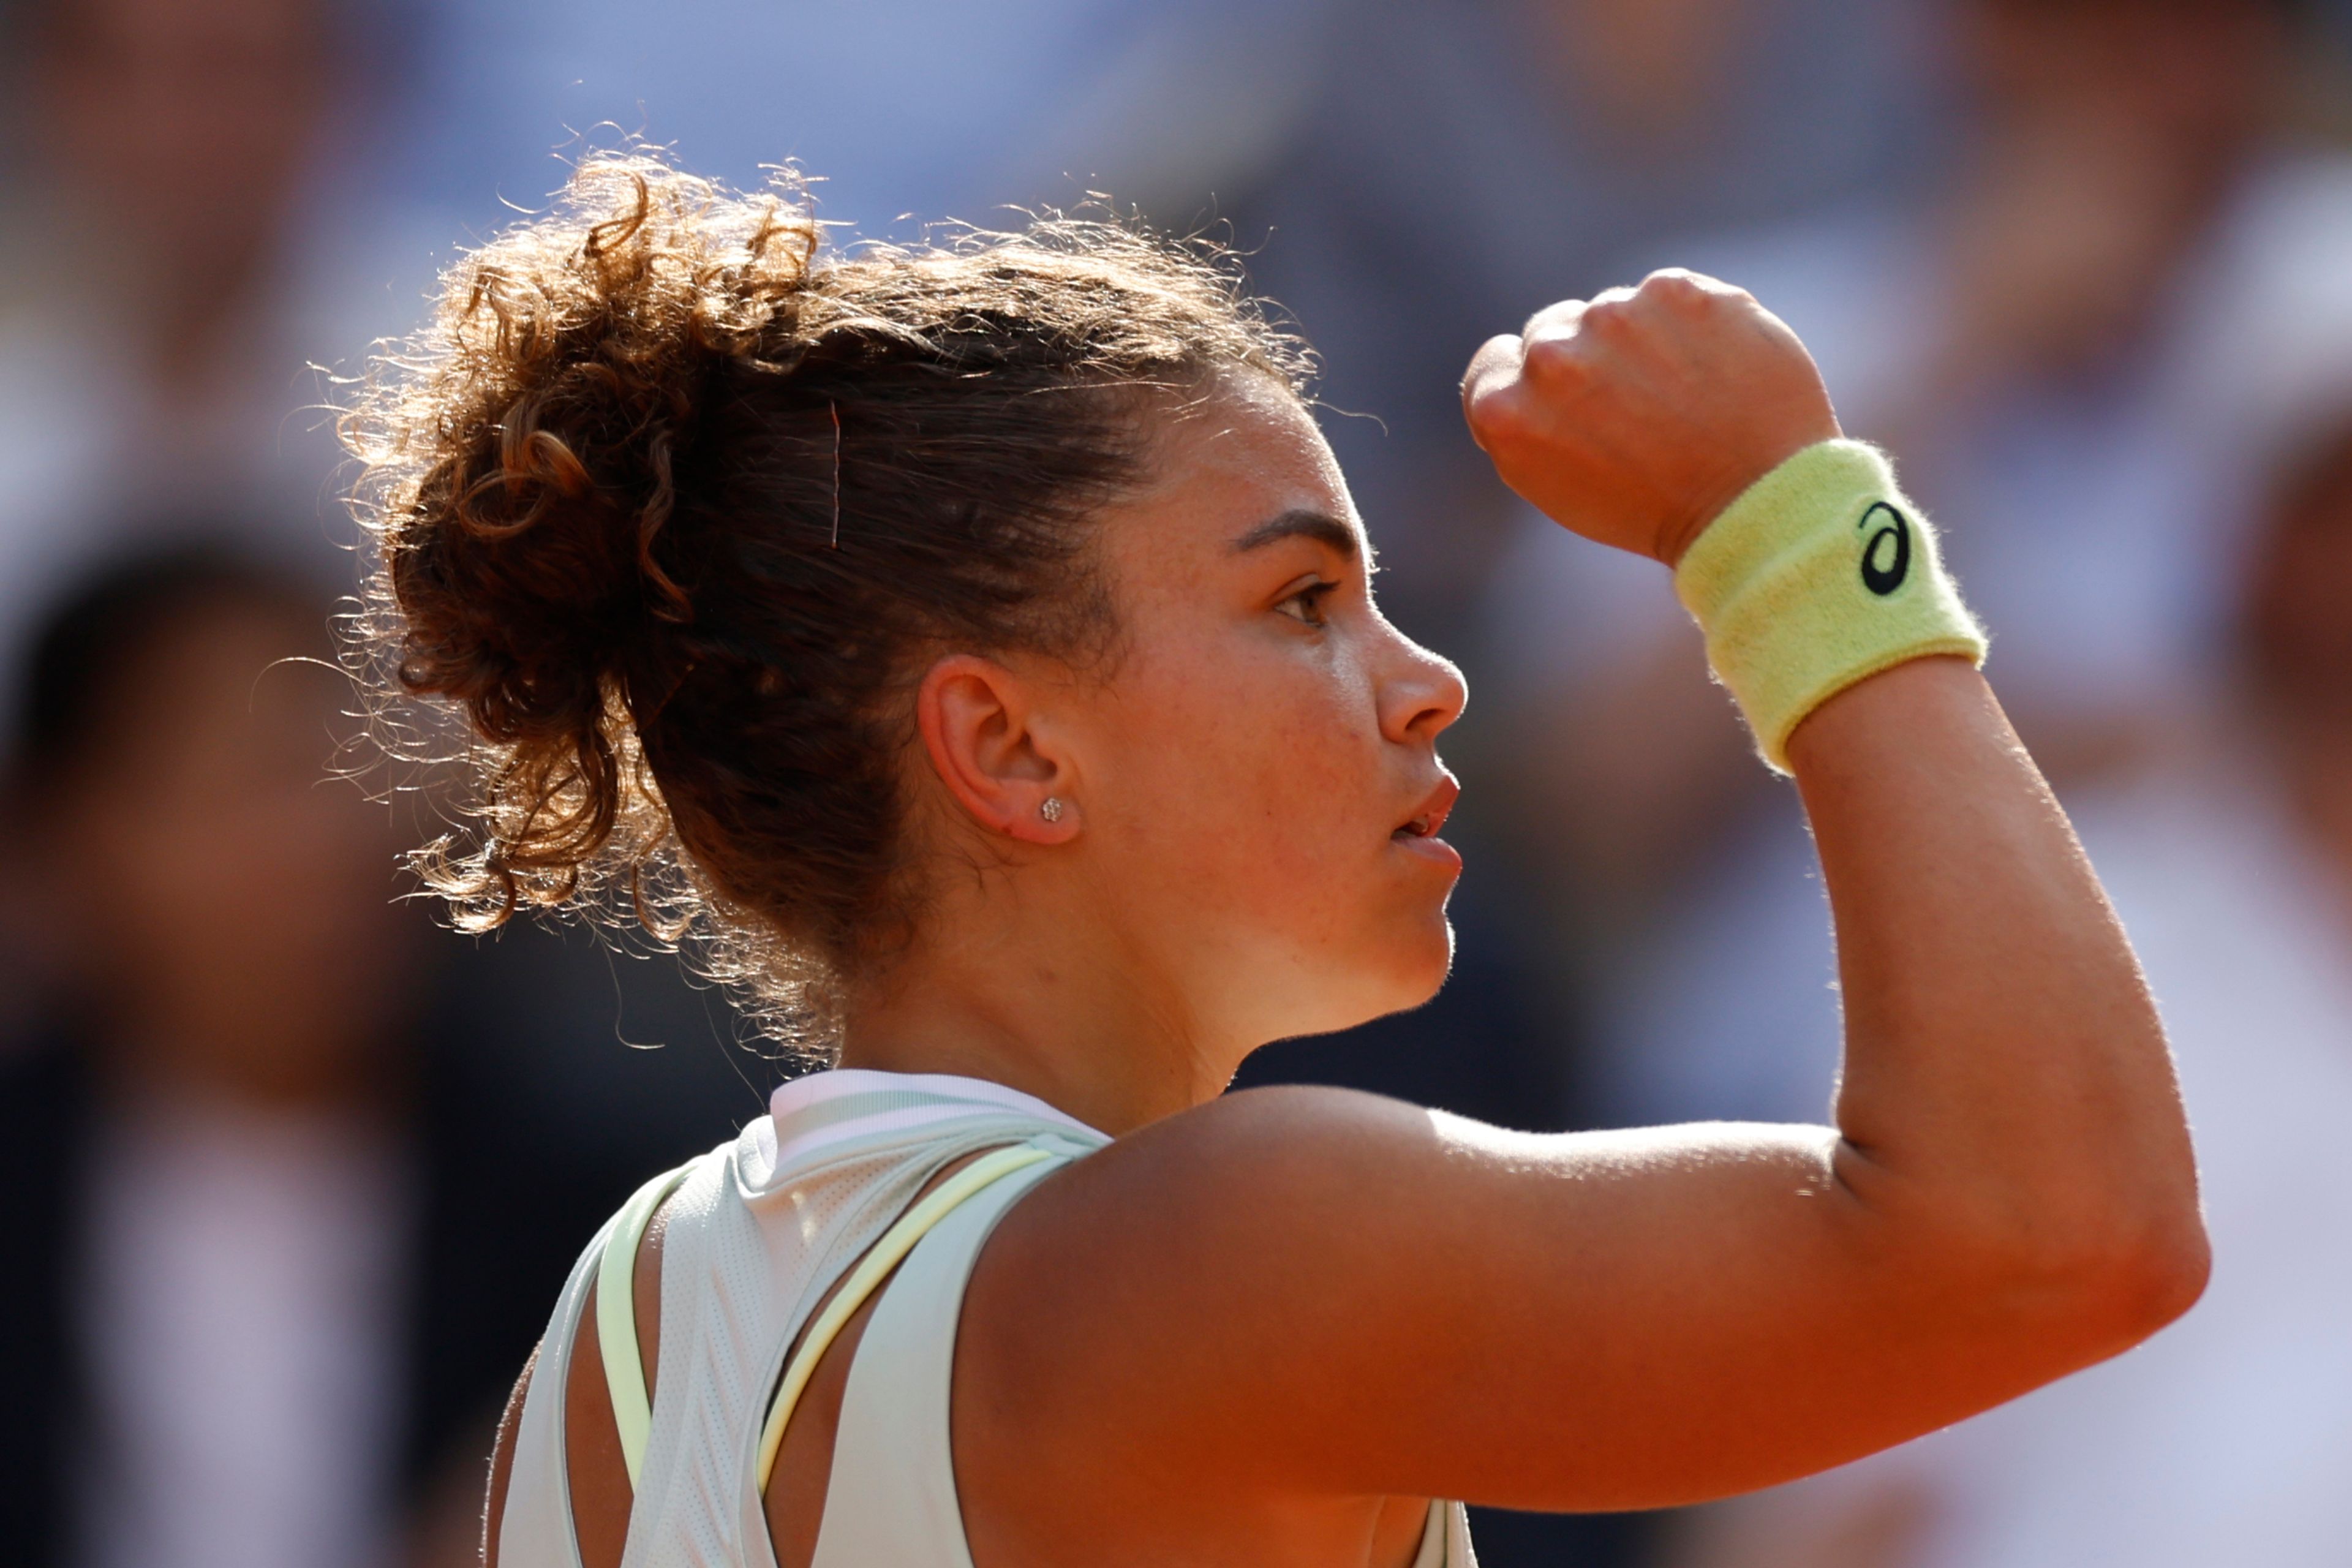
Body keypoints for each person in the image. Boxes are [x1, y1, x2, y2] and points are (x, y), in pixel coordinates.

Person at [343, 155, 2206, 1567]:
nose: (1426, 682)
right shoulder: (1234, 1242)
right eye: (1303, 600)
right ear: (1006, 746)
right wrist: (1788, 522)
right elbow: (2060, 1232)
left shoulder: (622, 1316)